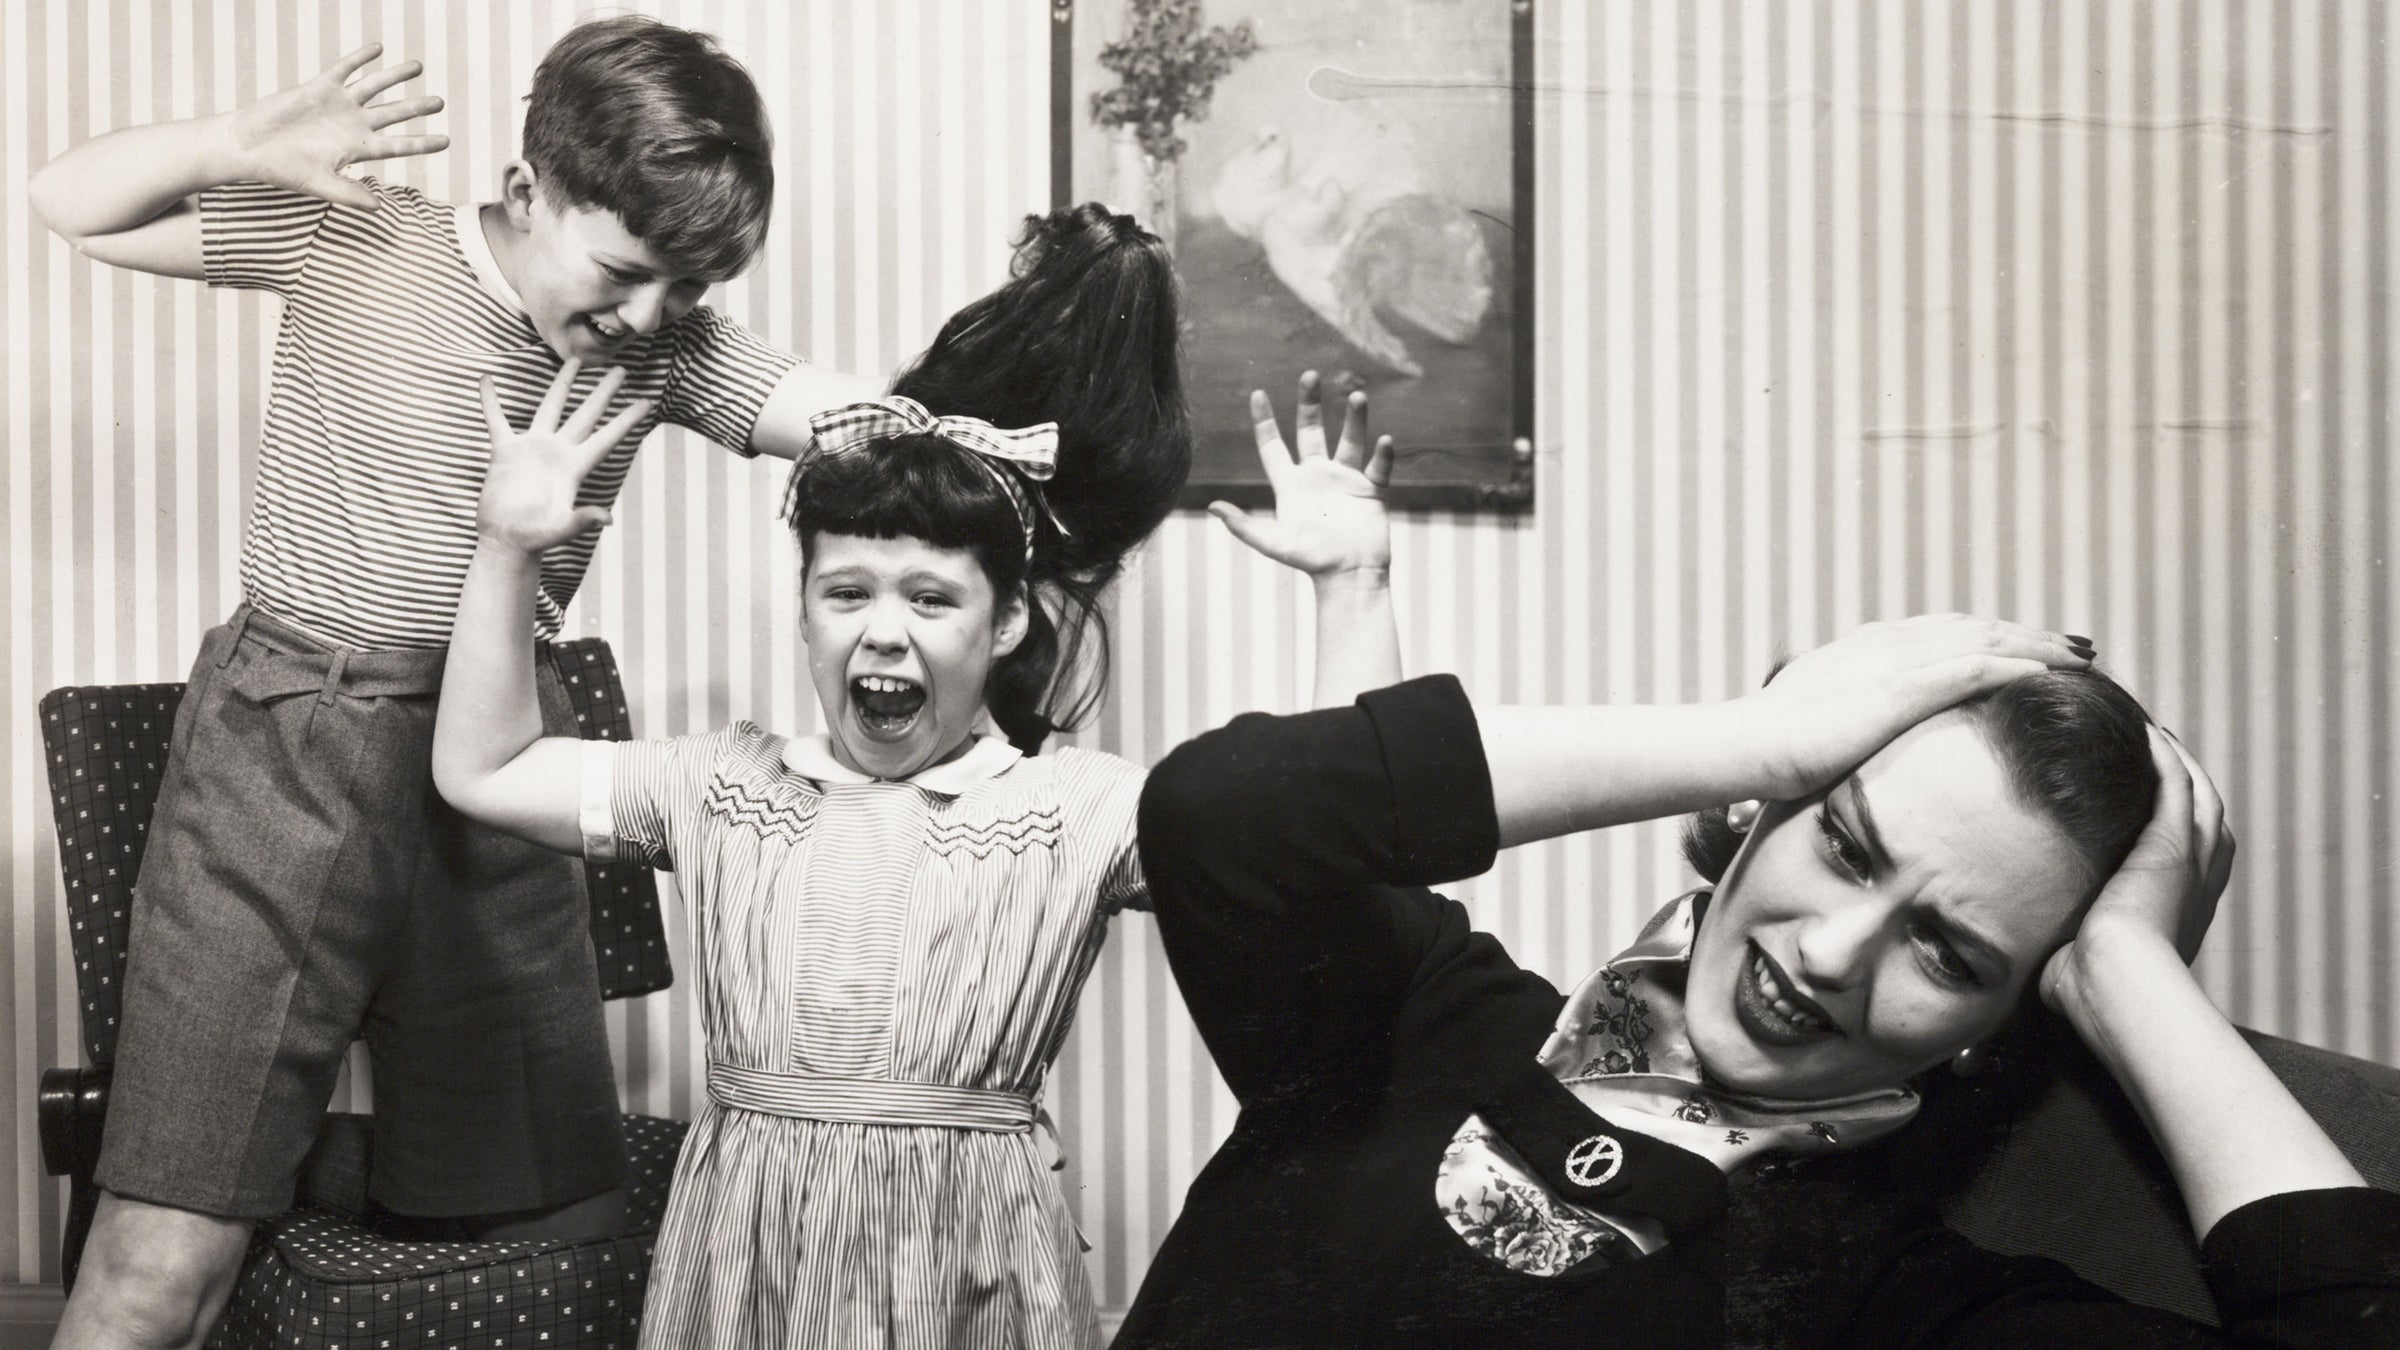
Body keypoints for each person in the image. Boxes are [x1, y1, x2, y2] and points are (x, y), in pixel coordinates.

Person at [1116, 408, 2400, 1347]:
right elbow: (1222, 811)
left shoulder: (1886, 1303)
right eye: (1844, 842)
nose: (1839, 953)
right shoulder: (1415, 1022)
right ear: (1753, 808)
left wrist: (2131, 967)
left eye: (1951, 955)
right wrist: (1762, 734)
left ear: (1992, 1028)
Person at [28, 17, 879, 1347]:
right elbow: (63, 201)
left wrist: (979, 432)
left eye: (687, 288)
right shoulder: (355, 234)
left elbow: (839, 418)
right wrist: (235, 144)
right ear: (531, 193)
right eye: (627, 269)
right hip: (282, 751)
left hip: (494, 768)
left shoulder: (663, 342)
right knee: (163, 1259)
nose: (649, 314)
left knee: (556, 1245)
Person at [432, 220, 1394, 1346]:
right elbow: (485, 770)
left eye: (932, 601)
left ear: (1010, 622)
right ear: (803, 613)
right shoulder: (723, 787)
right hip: (744, 1274)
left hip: (975, 1280)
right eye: (849, 594)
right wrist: (504, 551)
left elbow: (1344, 832)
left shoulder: (1073, 814)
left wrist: (1354, 586)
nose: (884, 634)